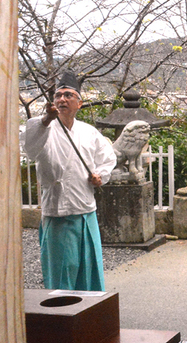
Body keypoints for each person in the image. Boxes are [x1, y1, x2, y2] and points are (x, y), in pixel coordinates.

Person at [21, 71, 117, 291]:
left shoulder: (89, 132)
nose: (62, 99)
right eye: (58, 96)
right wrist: (46, 119)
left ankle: (90, 317)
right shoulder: (42, 127)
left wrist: (100, 176)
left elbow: (108, 158)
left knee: (89, 268)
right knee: (61, 273)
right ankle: (61, 318)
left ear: (79, 103)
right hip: (58, 212)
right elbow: (31, 149)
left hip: (85, 209)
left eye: (68, 95)